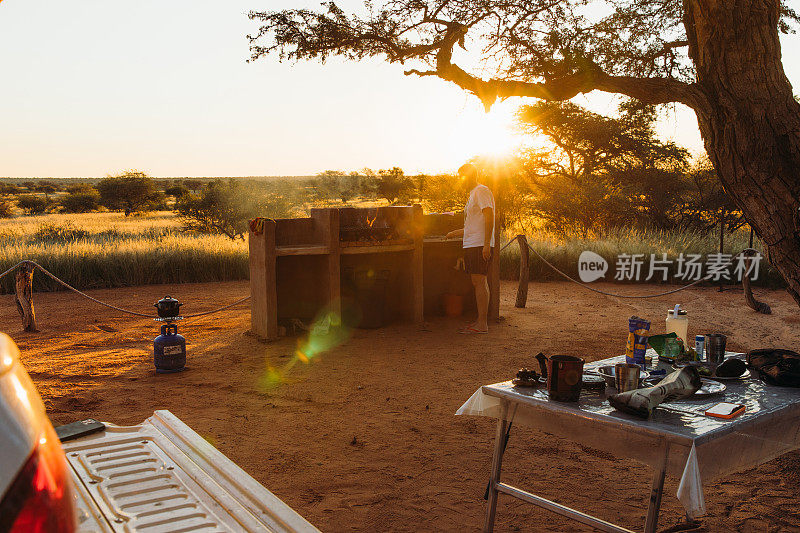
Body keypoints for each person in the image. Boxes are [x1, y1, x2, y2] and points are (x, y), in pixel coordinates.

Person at [445, 163, 495, 333]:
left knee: (480, 281)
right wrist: (455, 233)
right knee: (477, 281)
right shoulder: (473, 194)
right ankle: (480, 322)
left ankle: (482, 324)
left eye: (462, 177)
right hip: (474, 242)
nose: (460, 180)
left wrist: (487, 244)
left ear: (471, 176)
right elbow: (474, 224)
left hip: (480, 243)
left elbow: (489, 216)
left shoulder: (481, 191)